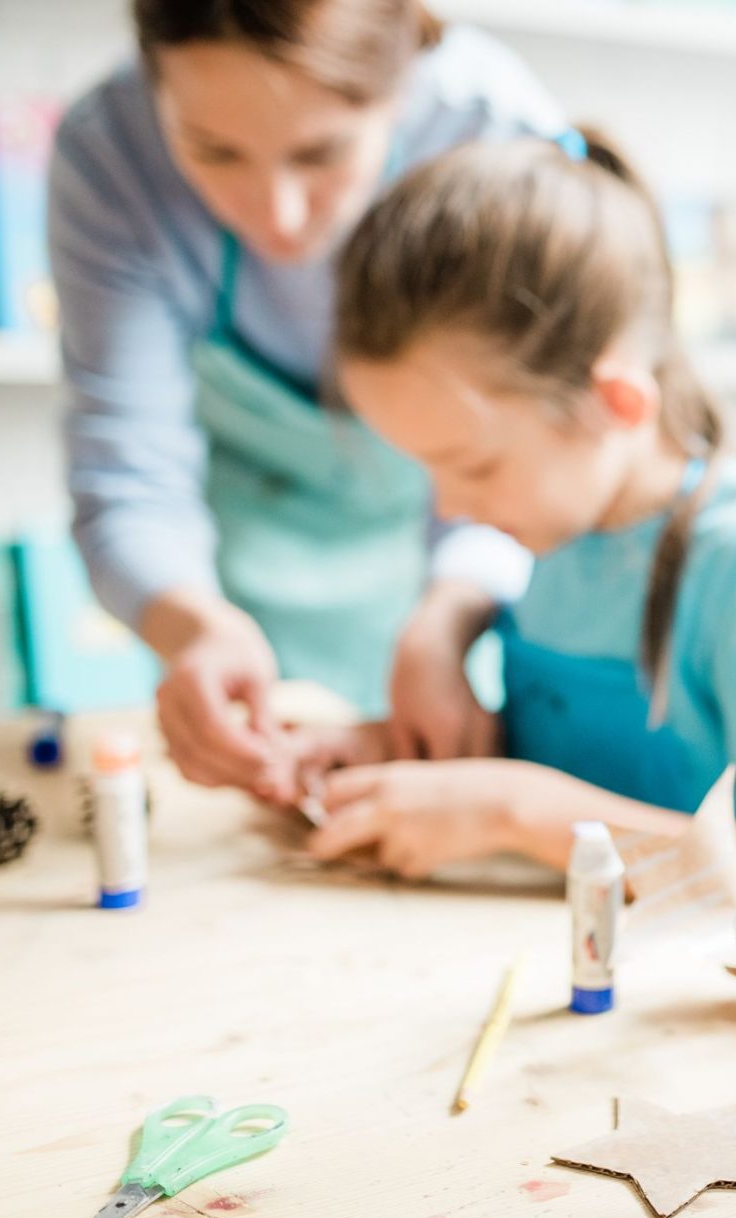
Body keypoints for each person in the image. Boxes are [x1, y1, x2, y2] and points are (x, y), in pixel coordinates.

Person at [291, 131, 736, 876]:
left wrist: (511, 809)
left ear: (615, 405)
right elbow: (573, 761)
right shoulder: (554, 528)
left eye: (472, 464)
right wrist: (397, 766)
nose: (451, 505)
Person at [50, 0, 562, 798]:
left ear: (403, 92)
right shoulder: (107, 155)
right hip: (239, 566)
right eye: (213, 151)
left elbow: (526, 457)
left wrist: (448, 623)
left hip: (465, 583)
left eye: (321, 154)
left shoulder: (498, 133)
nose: (278, 217)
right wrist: (196, 629)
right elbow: (126, 476)